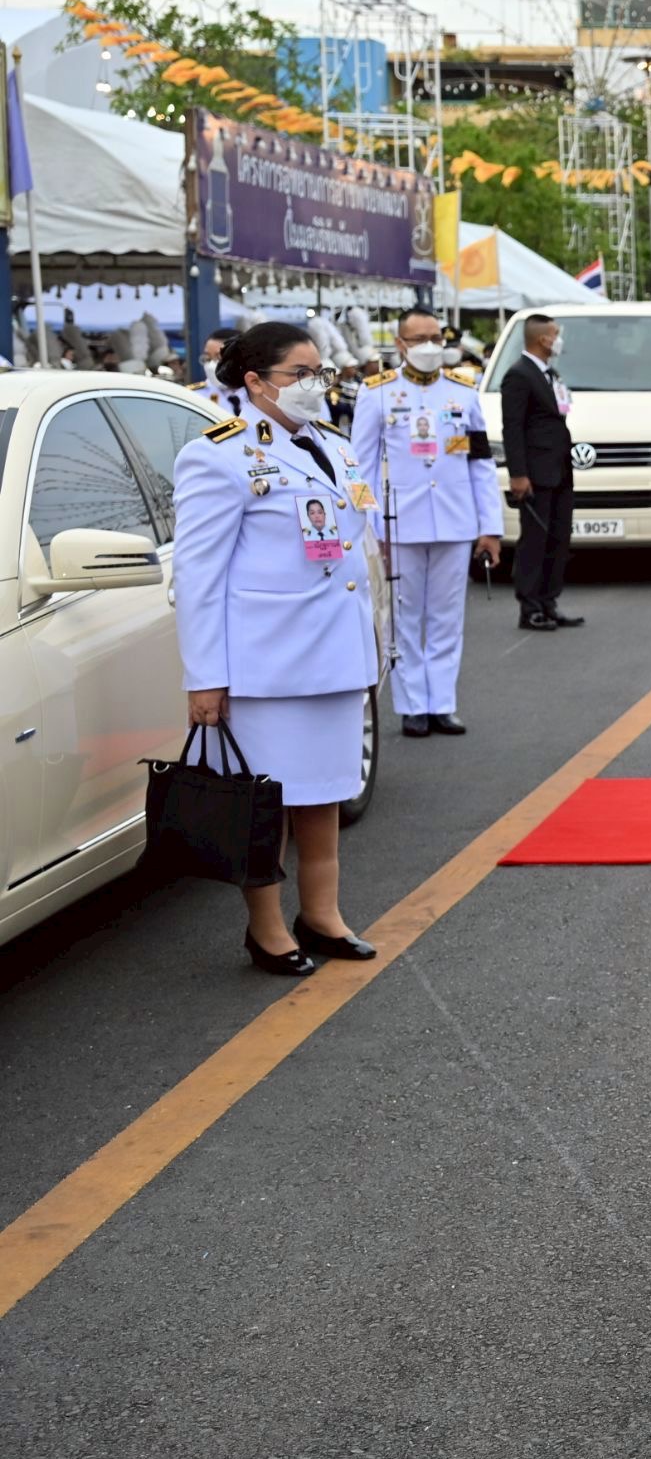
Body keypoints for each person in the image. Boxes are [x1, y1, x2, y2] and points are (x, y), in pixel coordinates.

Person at [172, 321, 383, 978]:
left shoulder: (335, 446)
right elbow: (198, 576)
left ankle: (322, 914)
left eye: (321, 373)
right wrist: (205, 676)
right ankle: (266, 930)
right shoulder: (218, 455)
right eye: (300, 374)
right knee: (264, 805)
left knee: (324, 794)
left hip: (336, 654)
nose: (315, 384)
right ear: (256, 381)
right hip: (268, 664)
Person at [352, 308, 502, 738]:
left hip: (455, 521)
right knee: (403, 617)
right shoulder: (377, 393)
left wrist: (489, 526)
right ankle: (413, 705)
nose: (430, 346)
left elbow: (480, 464)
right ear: (400, 344)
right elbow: (360, 469)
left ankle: (443, 703)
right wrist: (369, 530)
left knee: (446, 616)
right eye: (419, 339)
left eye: (436, 337)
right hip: (399, 525)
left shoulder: (463, 391)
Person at [499, 313, 580, 631]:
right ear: (543, 339)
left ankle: (549, 602)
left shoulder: (549, 374)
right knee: (534, 541)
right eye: (555, 334)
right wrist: (518, 474)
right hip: (535, 474)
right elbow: (512, 428)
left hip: (559, 471)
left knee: (558, 539)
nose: (559, 340)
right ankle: (530, 607)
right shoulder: (519, 375)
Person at [187, 329, 244, 413]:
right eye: (208, 358)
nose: (211, 365)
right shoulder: (194, 396)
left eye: (218, 357)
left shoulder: (258, 393)